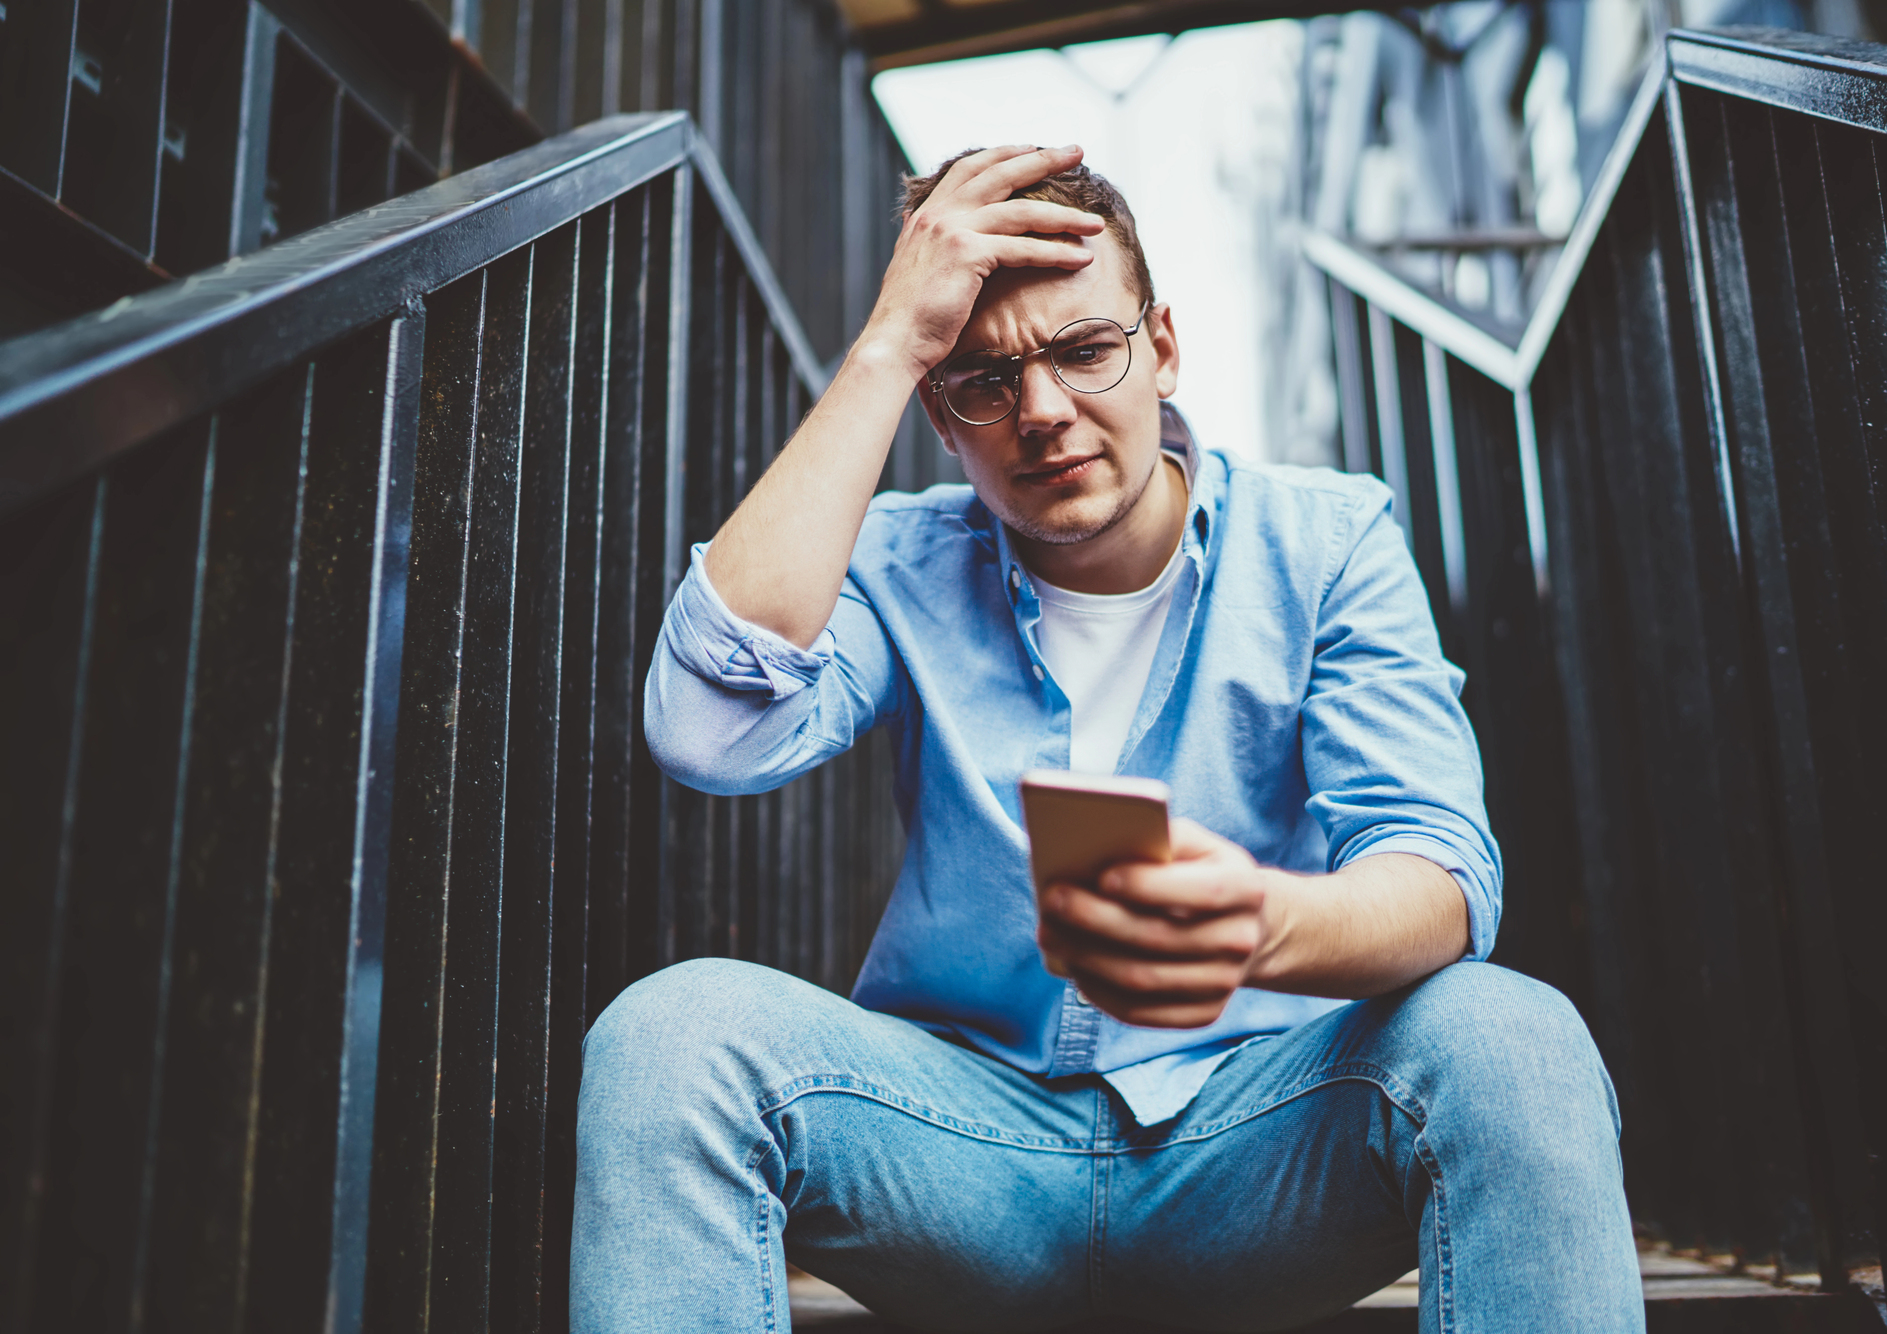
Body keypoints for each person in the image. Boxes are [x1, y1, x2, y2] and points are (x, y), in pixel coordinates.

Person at [571, 145, 1642, 1333]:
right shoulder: (894, 558)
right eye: (980, 381)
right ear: (938, 411)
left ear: (1161, 345)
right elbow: (708, 727)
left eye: (1085, 350)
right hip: (960, 1155)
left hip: (1250, 1150)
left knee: (1510, 1036)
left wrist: (1263, 926)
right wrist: (886, 347)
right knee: (671, 1033)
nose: (1040, 412)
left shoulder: (1324, 542)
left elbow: (1438, 873)